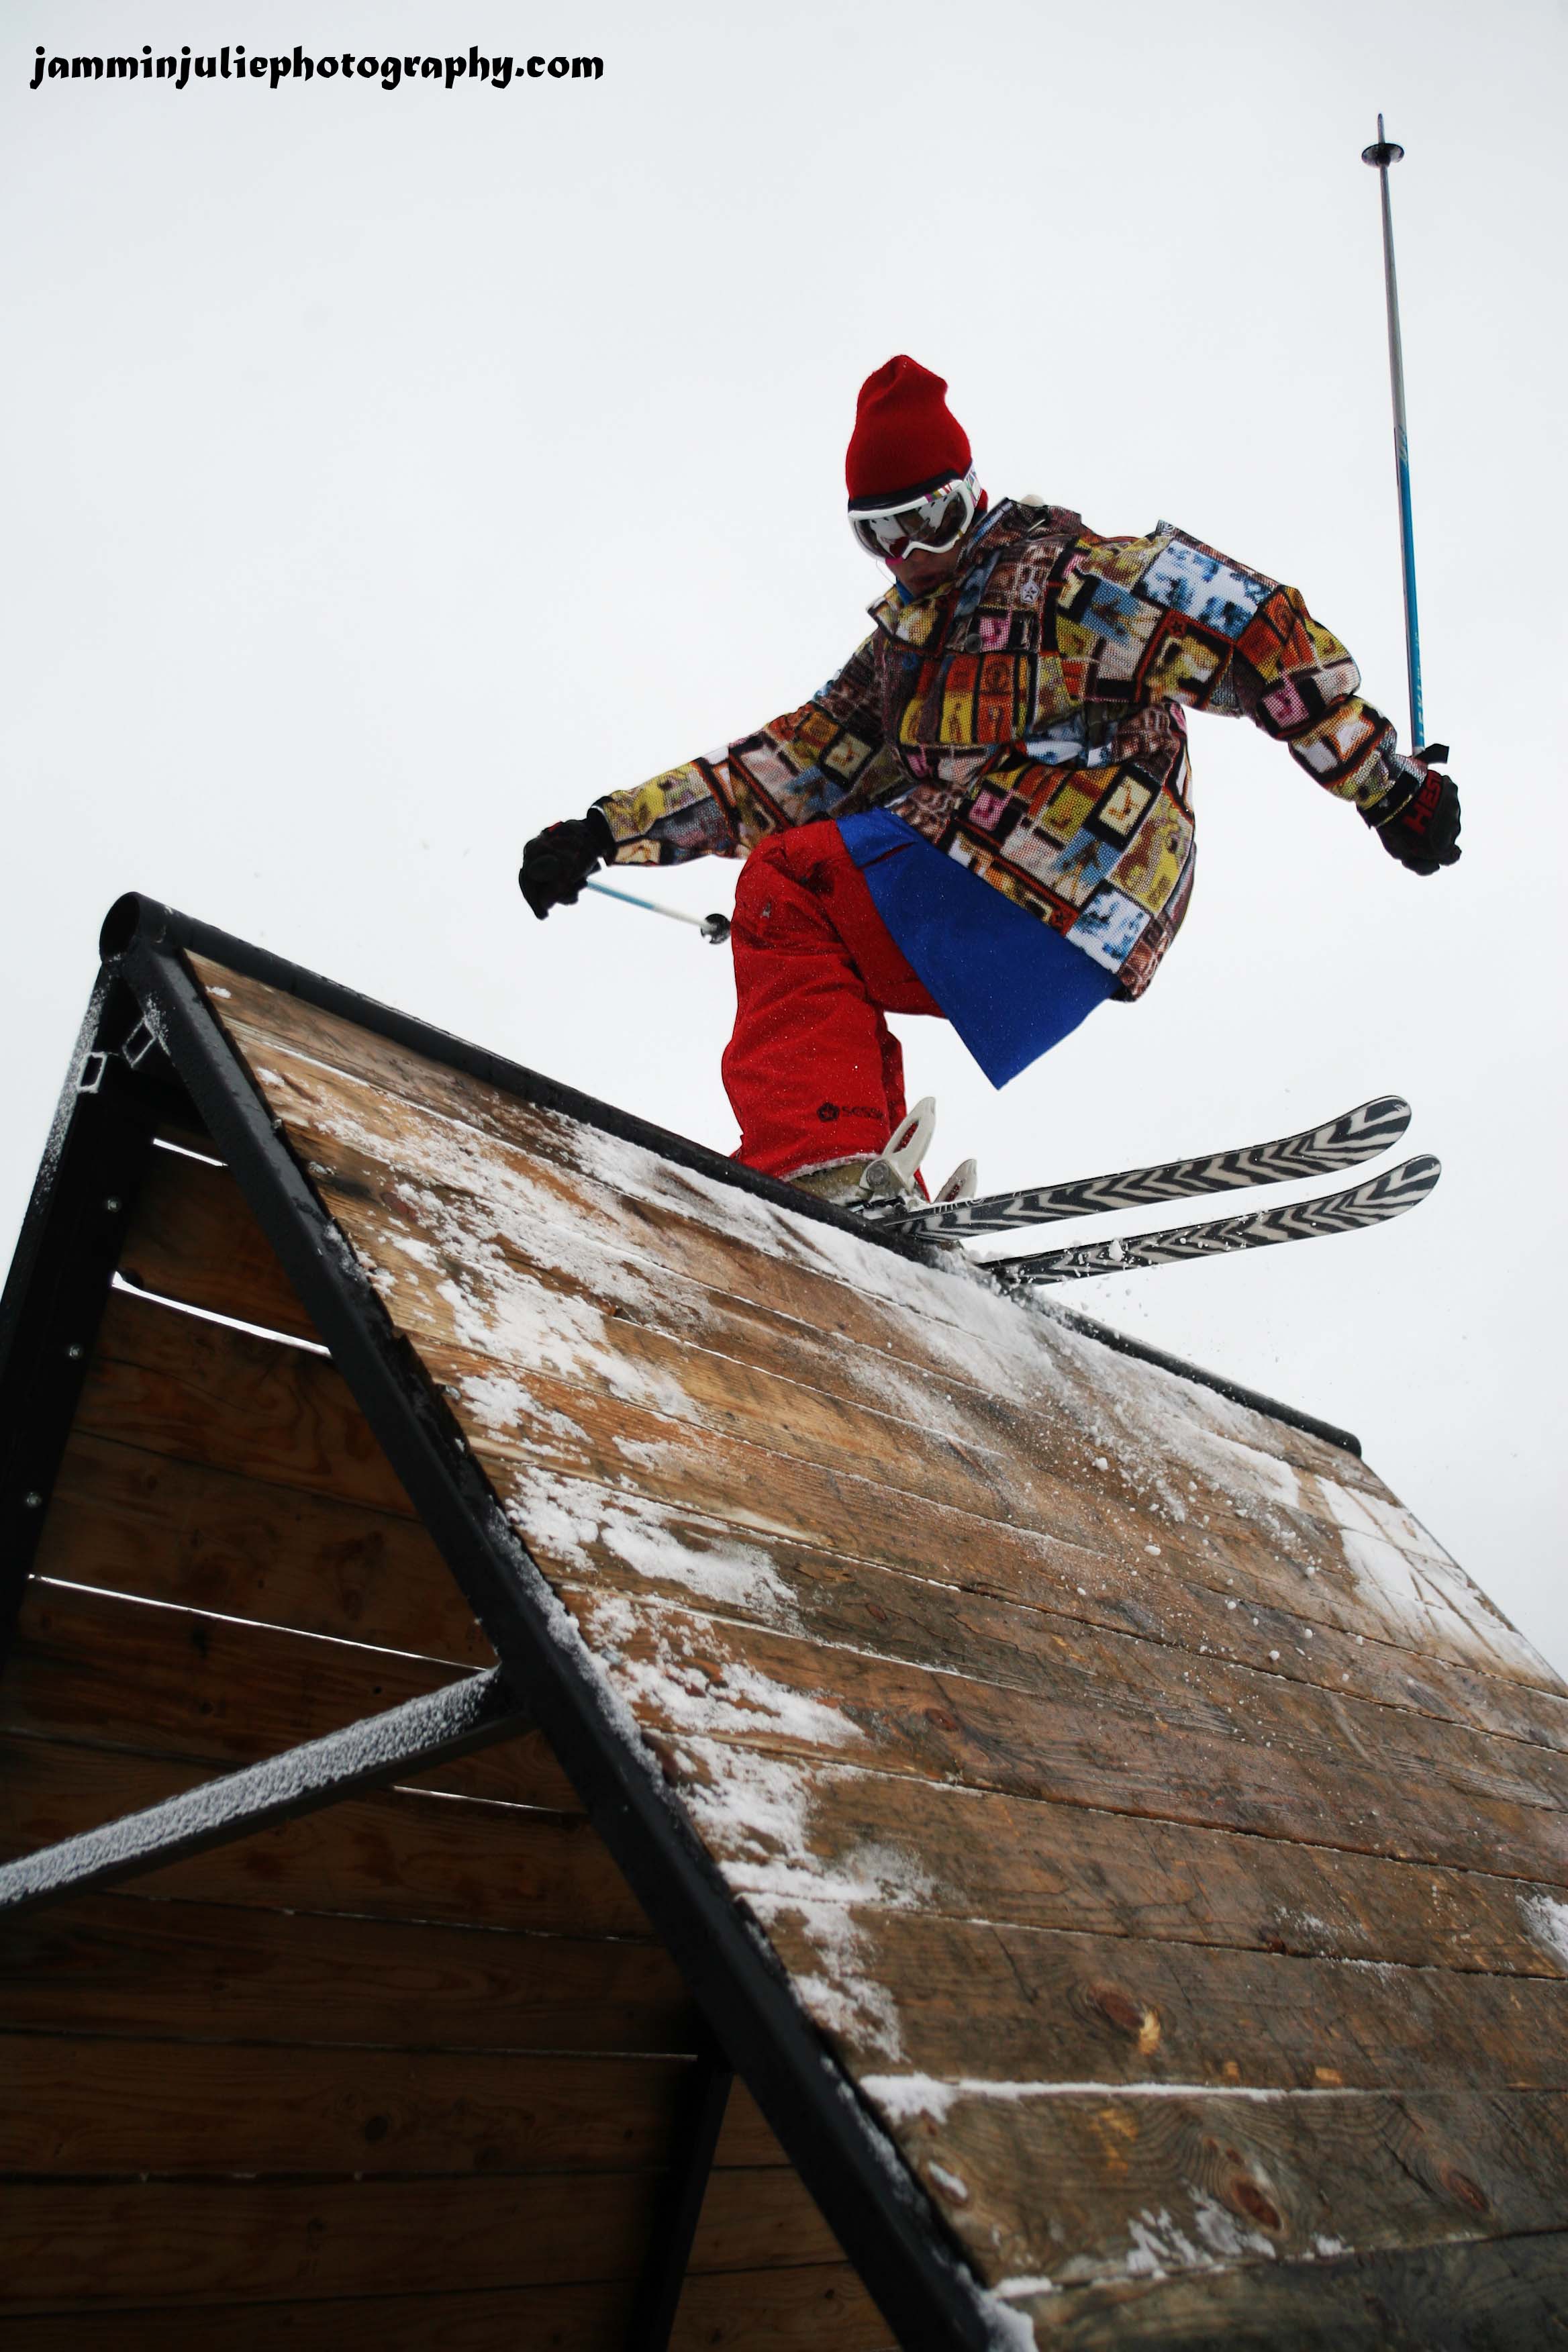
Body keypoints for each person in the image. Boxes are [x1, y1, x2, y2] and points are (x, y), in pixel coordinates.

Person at [521, 356, 1460, 1208]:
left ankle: (826, 1168)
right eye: (880, 535)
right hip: (1044, 915)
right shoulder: (902, 656)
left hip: (1065, 866)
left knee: (786, 884)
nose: (912, 554)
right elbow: (794, 764)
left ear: (972, 496)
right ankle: (870, 1176)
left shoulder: (1066, 580)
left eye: (931, 519)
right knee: (808, 924)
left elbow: (1252, 626)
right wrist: (606, 831)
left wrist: (1386, 785)